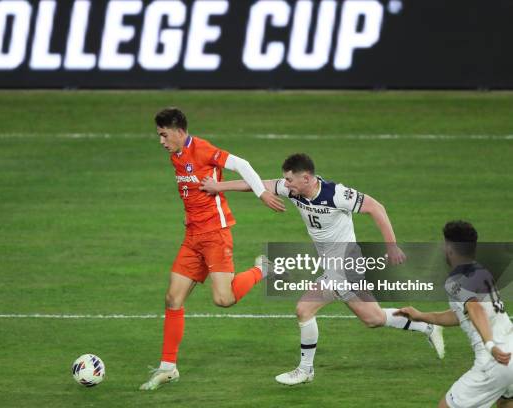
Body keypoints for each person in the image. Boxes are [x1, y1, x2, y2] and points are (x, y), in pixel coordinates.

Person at [200, 153, 445, 385]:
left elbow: (376, 207)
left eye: (289, 179)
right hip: (336, 266)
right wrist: (218, 187)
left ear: (305, 178)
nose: (285, 184)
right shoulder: (293, 189)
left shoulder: (337, 194)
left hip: (345, 266)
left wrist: (391, 247)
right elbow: (256, 184)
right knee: (373, 318)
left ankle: (305, 370)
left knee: (304, 308)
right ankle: (427, 325)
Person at [139, 108, 286, 391]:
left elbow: (242, 164)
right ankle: (168, 368)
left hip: (215, 235)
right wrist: (189, 213)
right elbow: (191, 190)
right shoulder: (176, 157)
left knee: (224, 299)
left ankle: (262, 268)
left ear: (179, 131)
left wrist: (263, 193)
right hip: (192, 236)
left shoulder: (204, 149)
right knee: (172, 298)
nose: (161, 141)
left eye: (163, 134)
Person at [396, 221, 513, 408]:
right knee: (506, 402)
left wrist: (490, 346)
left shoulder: (456, 281)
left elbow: (475, 309)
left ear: (450, 248)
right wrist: (422, 316)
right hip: (512, 352)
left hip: (495, 360)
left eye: (444, 243)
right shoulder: (481, 272)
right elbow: (462, 314)